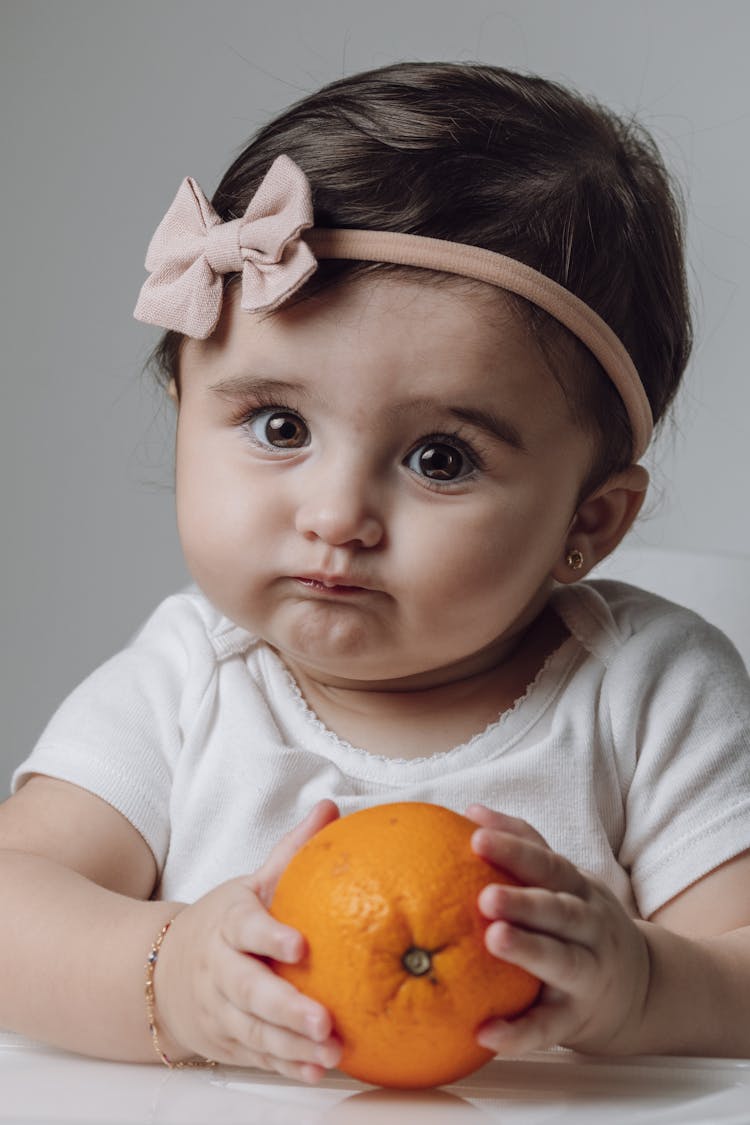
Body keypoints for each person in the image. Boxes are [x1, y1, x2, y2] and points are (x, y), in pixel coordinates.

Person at [2, 60, 750, 1084]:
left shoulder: (649, 691)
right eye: (279, 426)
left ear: (590, 520)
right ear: (185, 413)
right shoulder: (189, 681)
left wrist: (643, 986)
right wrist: (168, 973)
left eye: (440, 458)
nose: (337, 516)